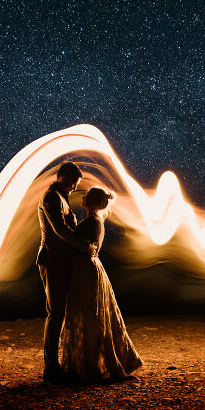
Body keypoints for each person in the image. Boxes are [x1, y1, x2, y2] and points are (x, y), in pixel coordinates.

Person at [59, 186, 143, 382]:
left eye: (87, 196)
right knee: (91, 316)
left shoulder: (93, 221)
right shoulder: (94, 220)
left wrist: (68, 228)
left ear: (93, 201)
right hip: (86, 269)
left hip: (86, 270)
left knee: (91, 316)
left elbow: (81, 244)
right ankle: (88, 364)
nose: (83, 197)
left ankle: (90, 367)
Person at [36, 161, 97, 383]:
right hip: (52, 260)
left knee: (59, 312)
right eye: (73, 182)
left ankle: (55, 365)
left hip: (61, 260)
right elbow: (60, 230)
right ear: (63, 177)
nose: (74, 187)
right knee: (55, 313)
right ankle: (51, 369)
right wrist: (84, 246)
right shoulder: (51, 197)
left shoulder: (60, 197)